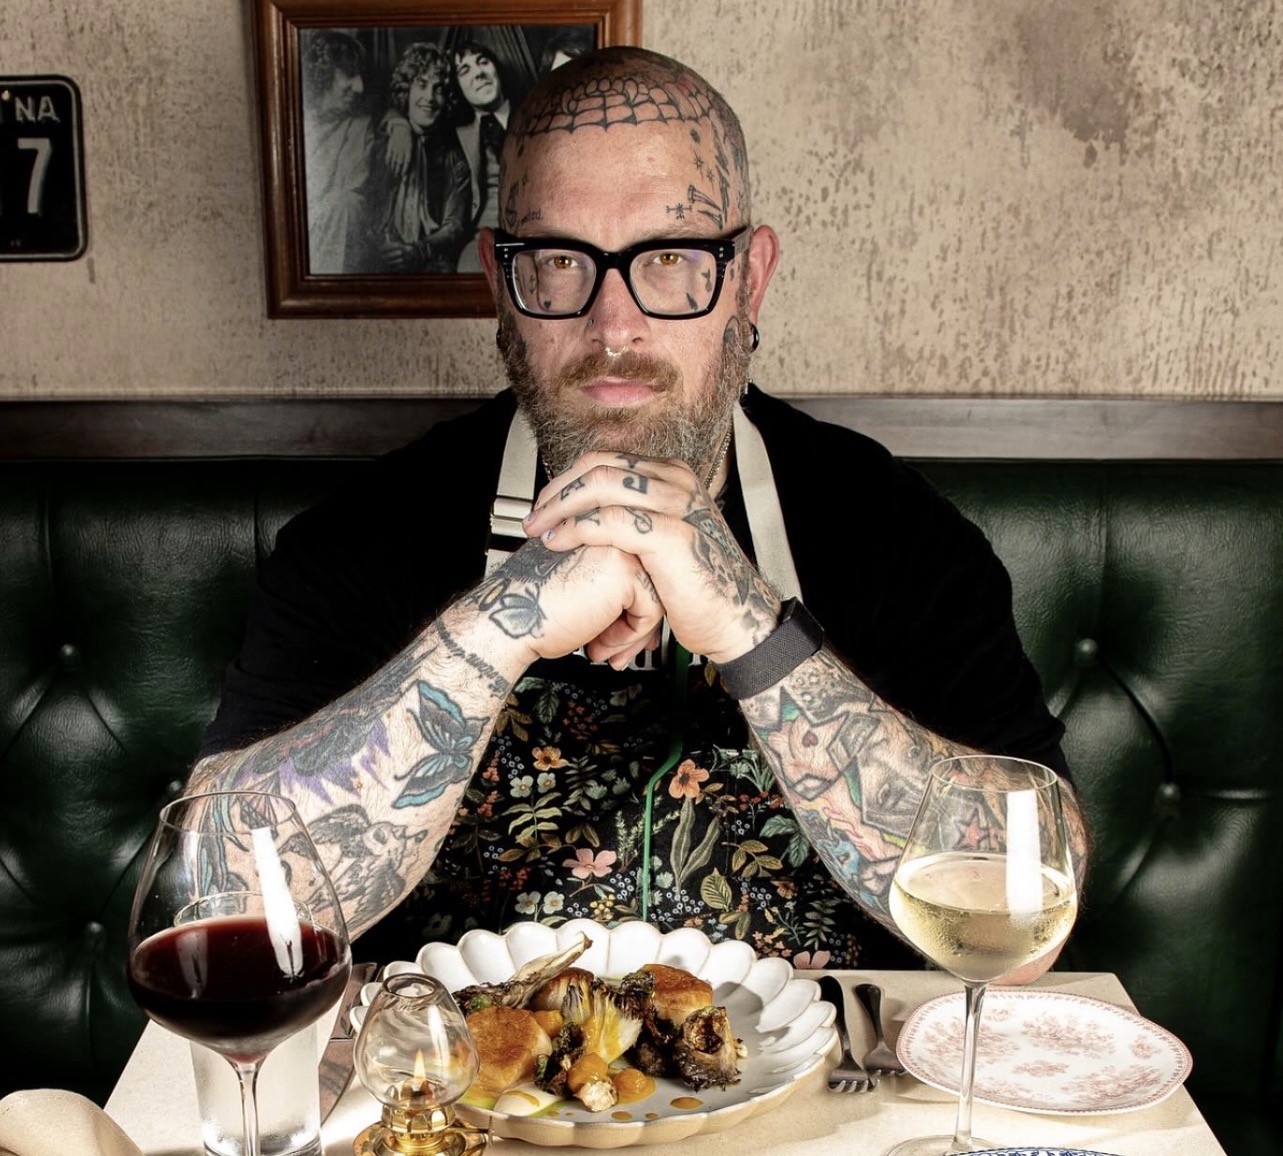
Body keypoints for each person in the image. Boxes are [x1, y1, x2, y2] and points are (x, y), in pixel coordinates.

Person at [193, 47, 1089, 972]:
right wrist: (499, 628)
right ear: (502, 285)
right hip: (464, 1099)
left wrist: (752, 630)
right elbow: (213, 894)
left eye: (669, 258)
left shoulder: (894, 532)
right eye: (557, 261)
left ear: (748, 278)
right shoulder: (362, 537)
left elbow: (1029, 905)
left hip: (819, 1100)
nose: (613, 327)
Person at [360, 42, 471, 274]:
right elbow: (363, 202)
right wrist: (384, 248)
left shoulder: (453, 154)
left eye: (439, 89)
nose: (429, 97)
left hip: (429, 259)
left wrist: (418, 250)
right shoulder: (380, 141)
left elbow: (455, 225)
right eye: (422, 84)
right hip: (375, 255)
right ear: (407, 89)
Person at [301, 30, 376, 274]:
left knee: (347, 204)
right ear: (325, 73)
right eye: (350, 75)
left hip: (332, 234)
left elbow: (349, 194)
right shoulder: (293, 120)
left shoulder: (360, 124)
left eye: (361, 76)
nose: (360, 87)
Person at [450, 40, 513, 272]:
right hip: (481, 243)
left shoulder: (533, 113)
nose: (479, 74)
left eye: (483, 62)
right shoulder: (454, 135)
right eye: (464, 71)